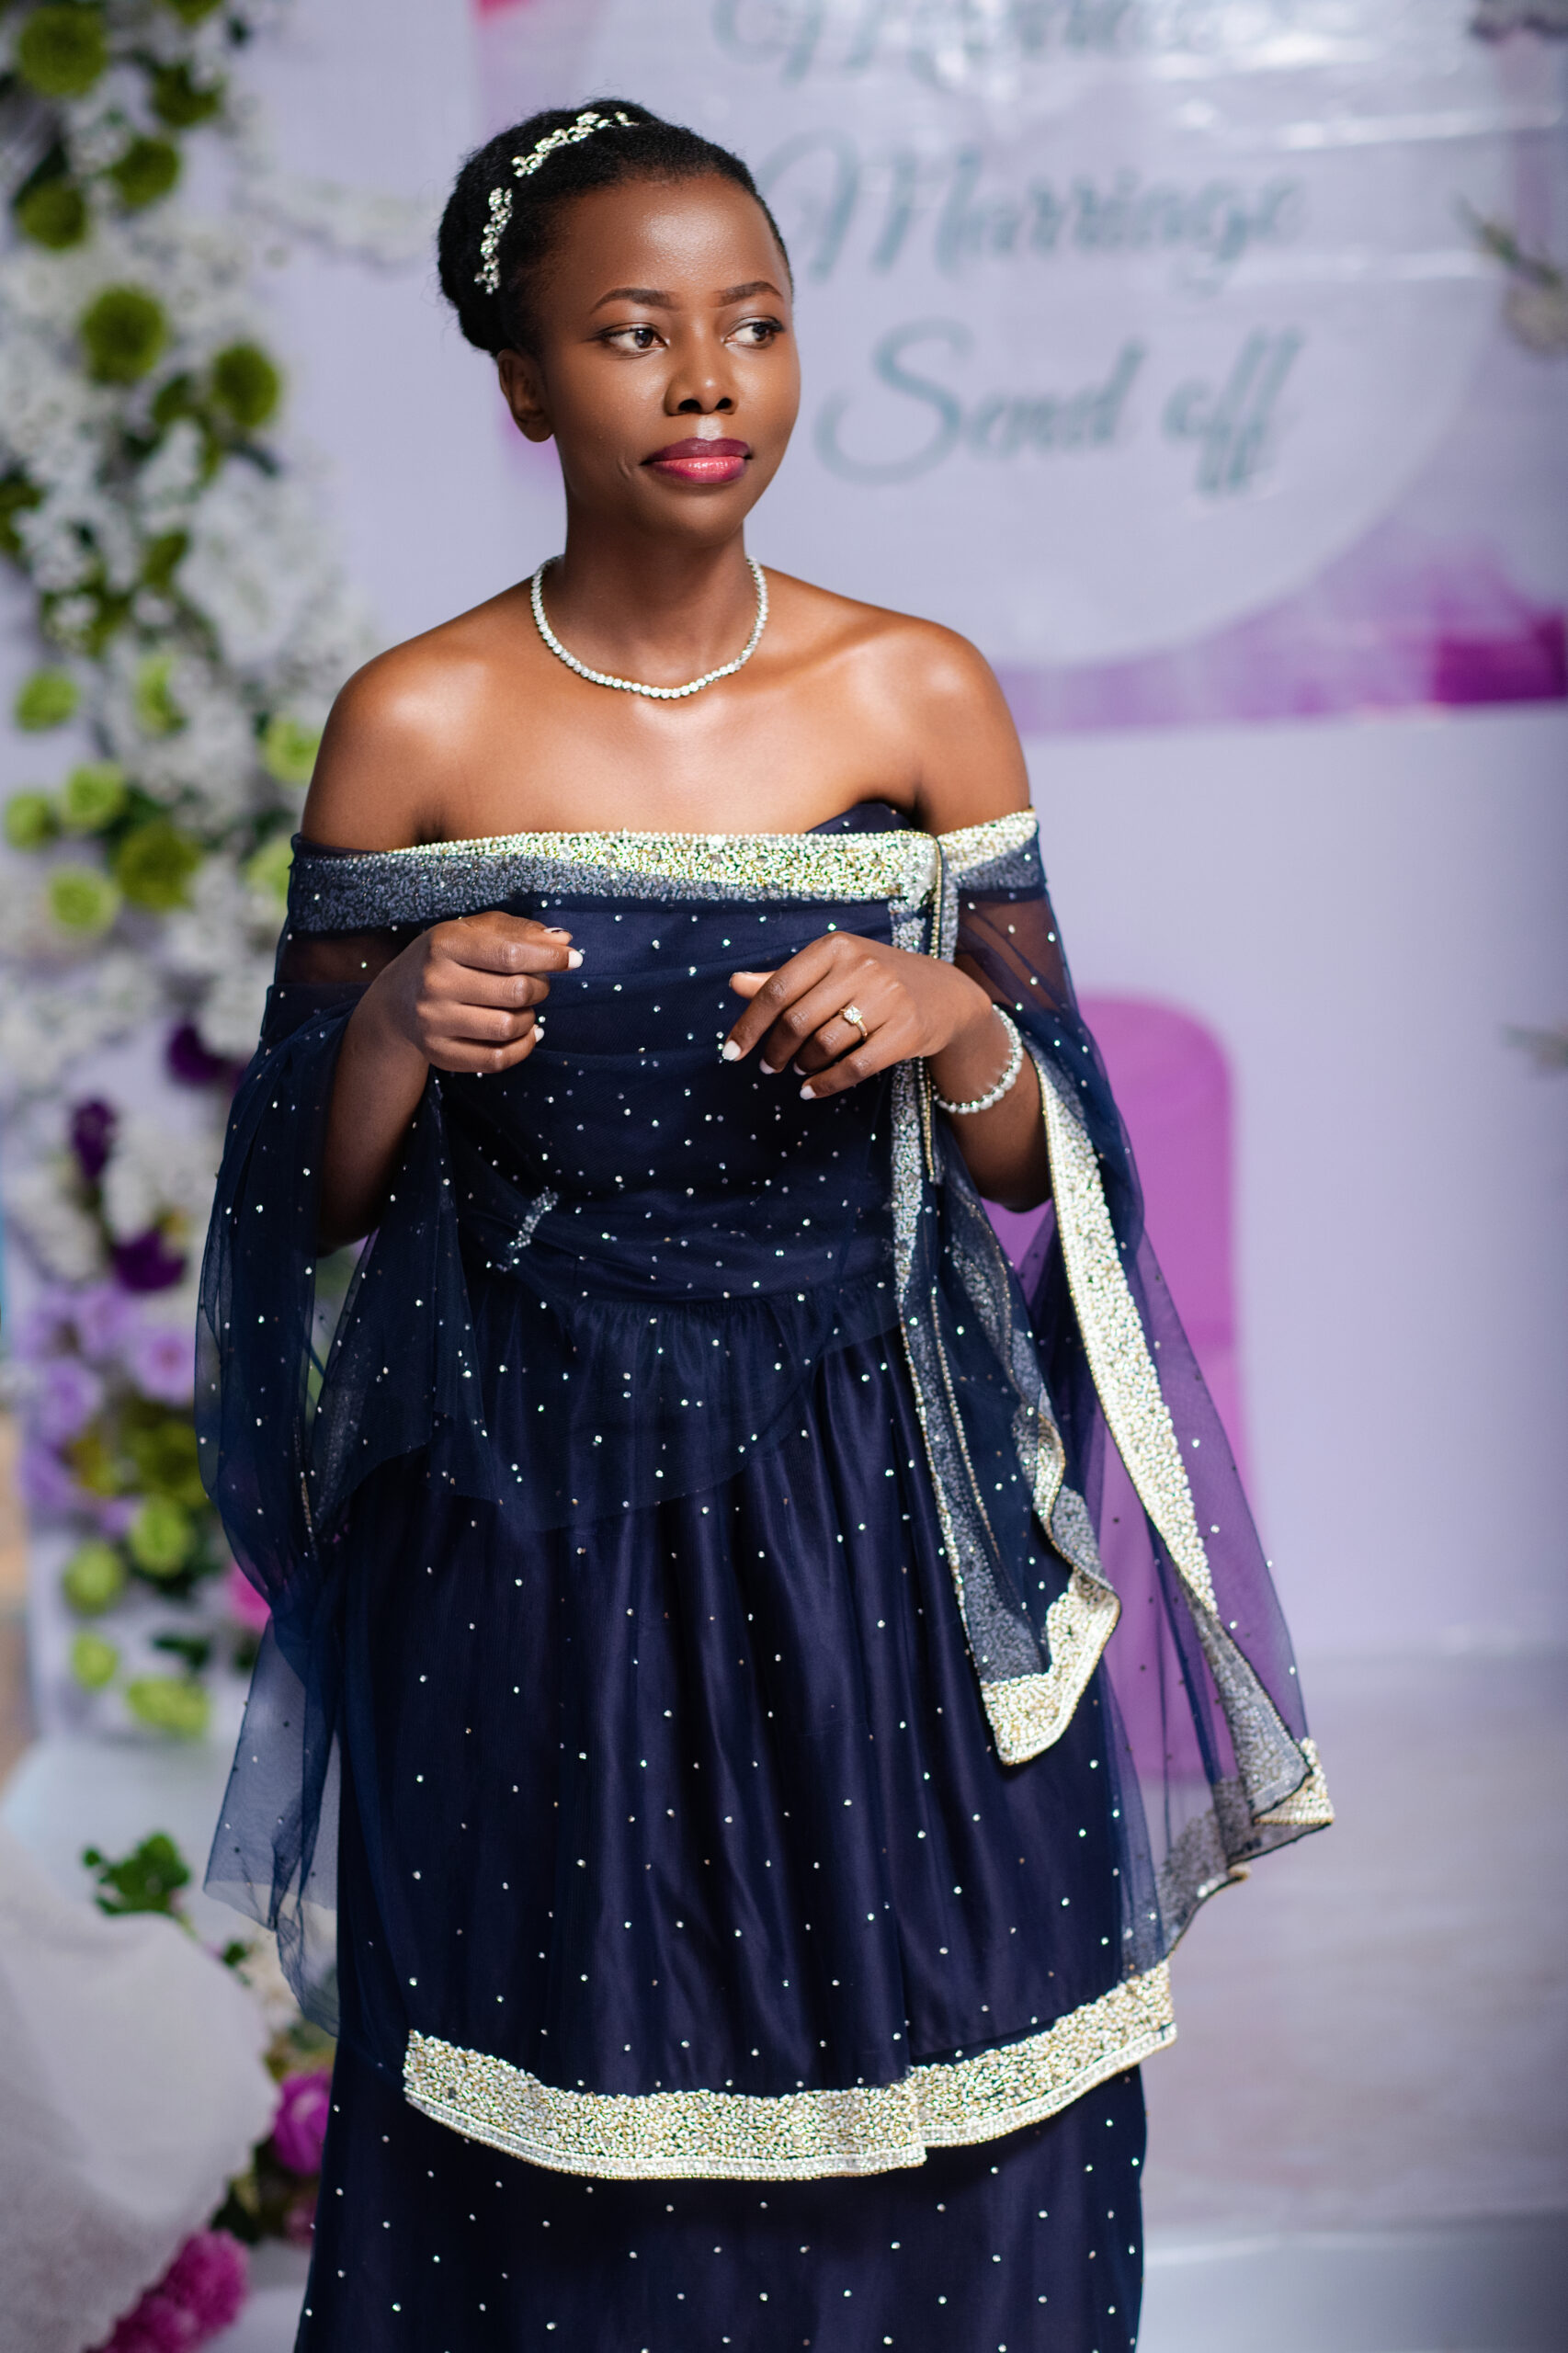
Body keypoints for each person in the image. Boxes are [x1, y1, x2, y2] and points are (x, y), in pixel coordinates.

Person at [198, 100, 1330, 2353]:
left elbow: (1038, 1159)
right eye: (634, 331)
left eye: (756, 324)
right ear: (524, 380)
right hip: (531, 1524)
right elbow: (295, 1205)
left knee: (968, 2072)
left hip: (884, 1508)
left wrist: (953, 1019)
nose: (708, 379)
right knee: (547, 2110)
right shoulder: (415, 722)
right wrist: (396, 1026)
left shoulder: (915, 691)